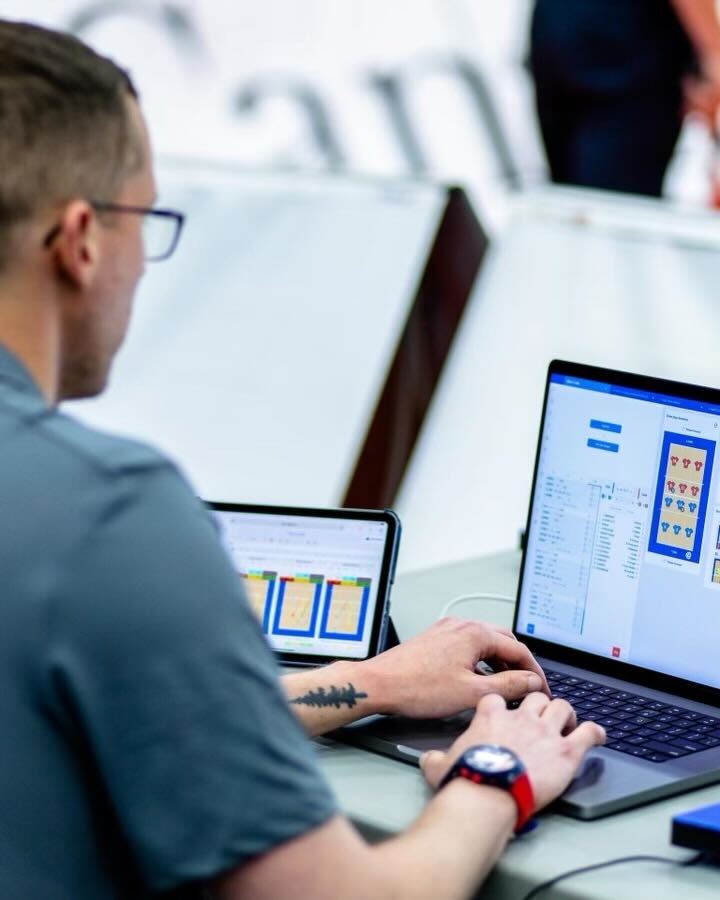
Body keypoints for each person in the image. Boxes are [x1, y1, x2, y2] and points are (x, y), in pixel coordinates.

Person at [0, 19, 605, 900]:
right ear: (82, 240)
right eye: (147, 219)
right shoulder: (110, 514)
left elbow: (149, 717)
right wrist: (494, 776)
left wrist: (366, 683)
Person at [530, 0, 720, 197]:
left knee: (573, 197)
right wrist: (714, 54)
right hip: (623, 40)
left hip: (560, 23)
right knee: (609, 205)